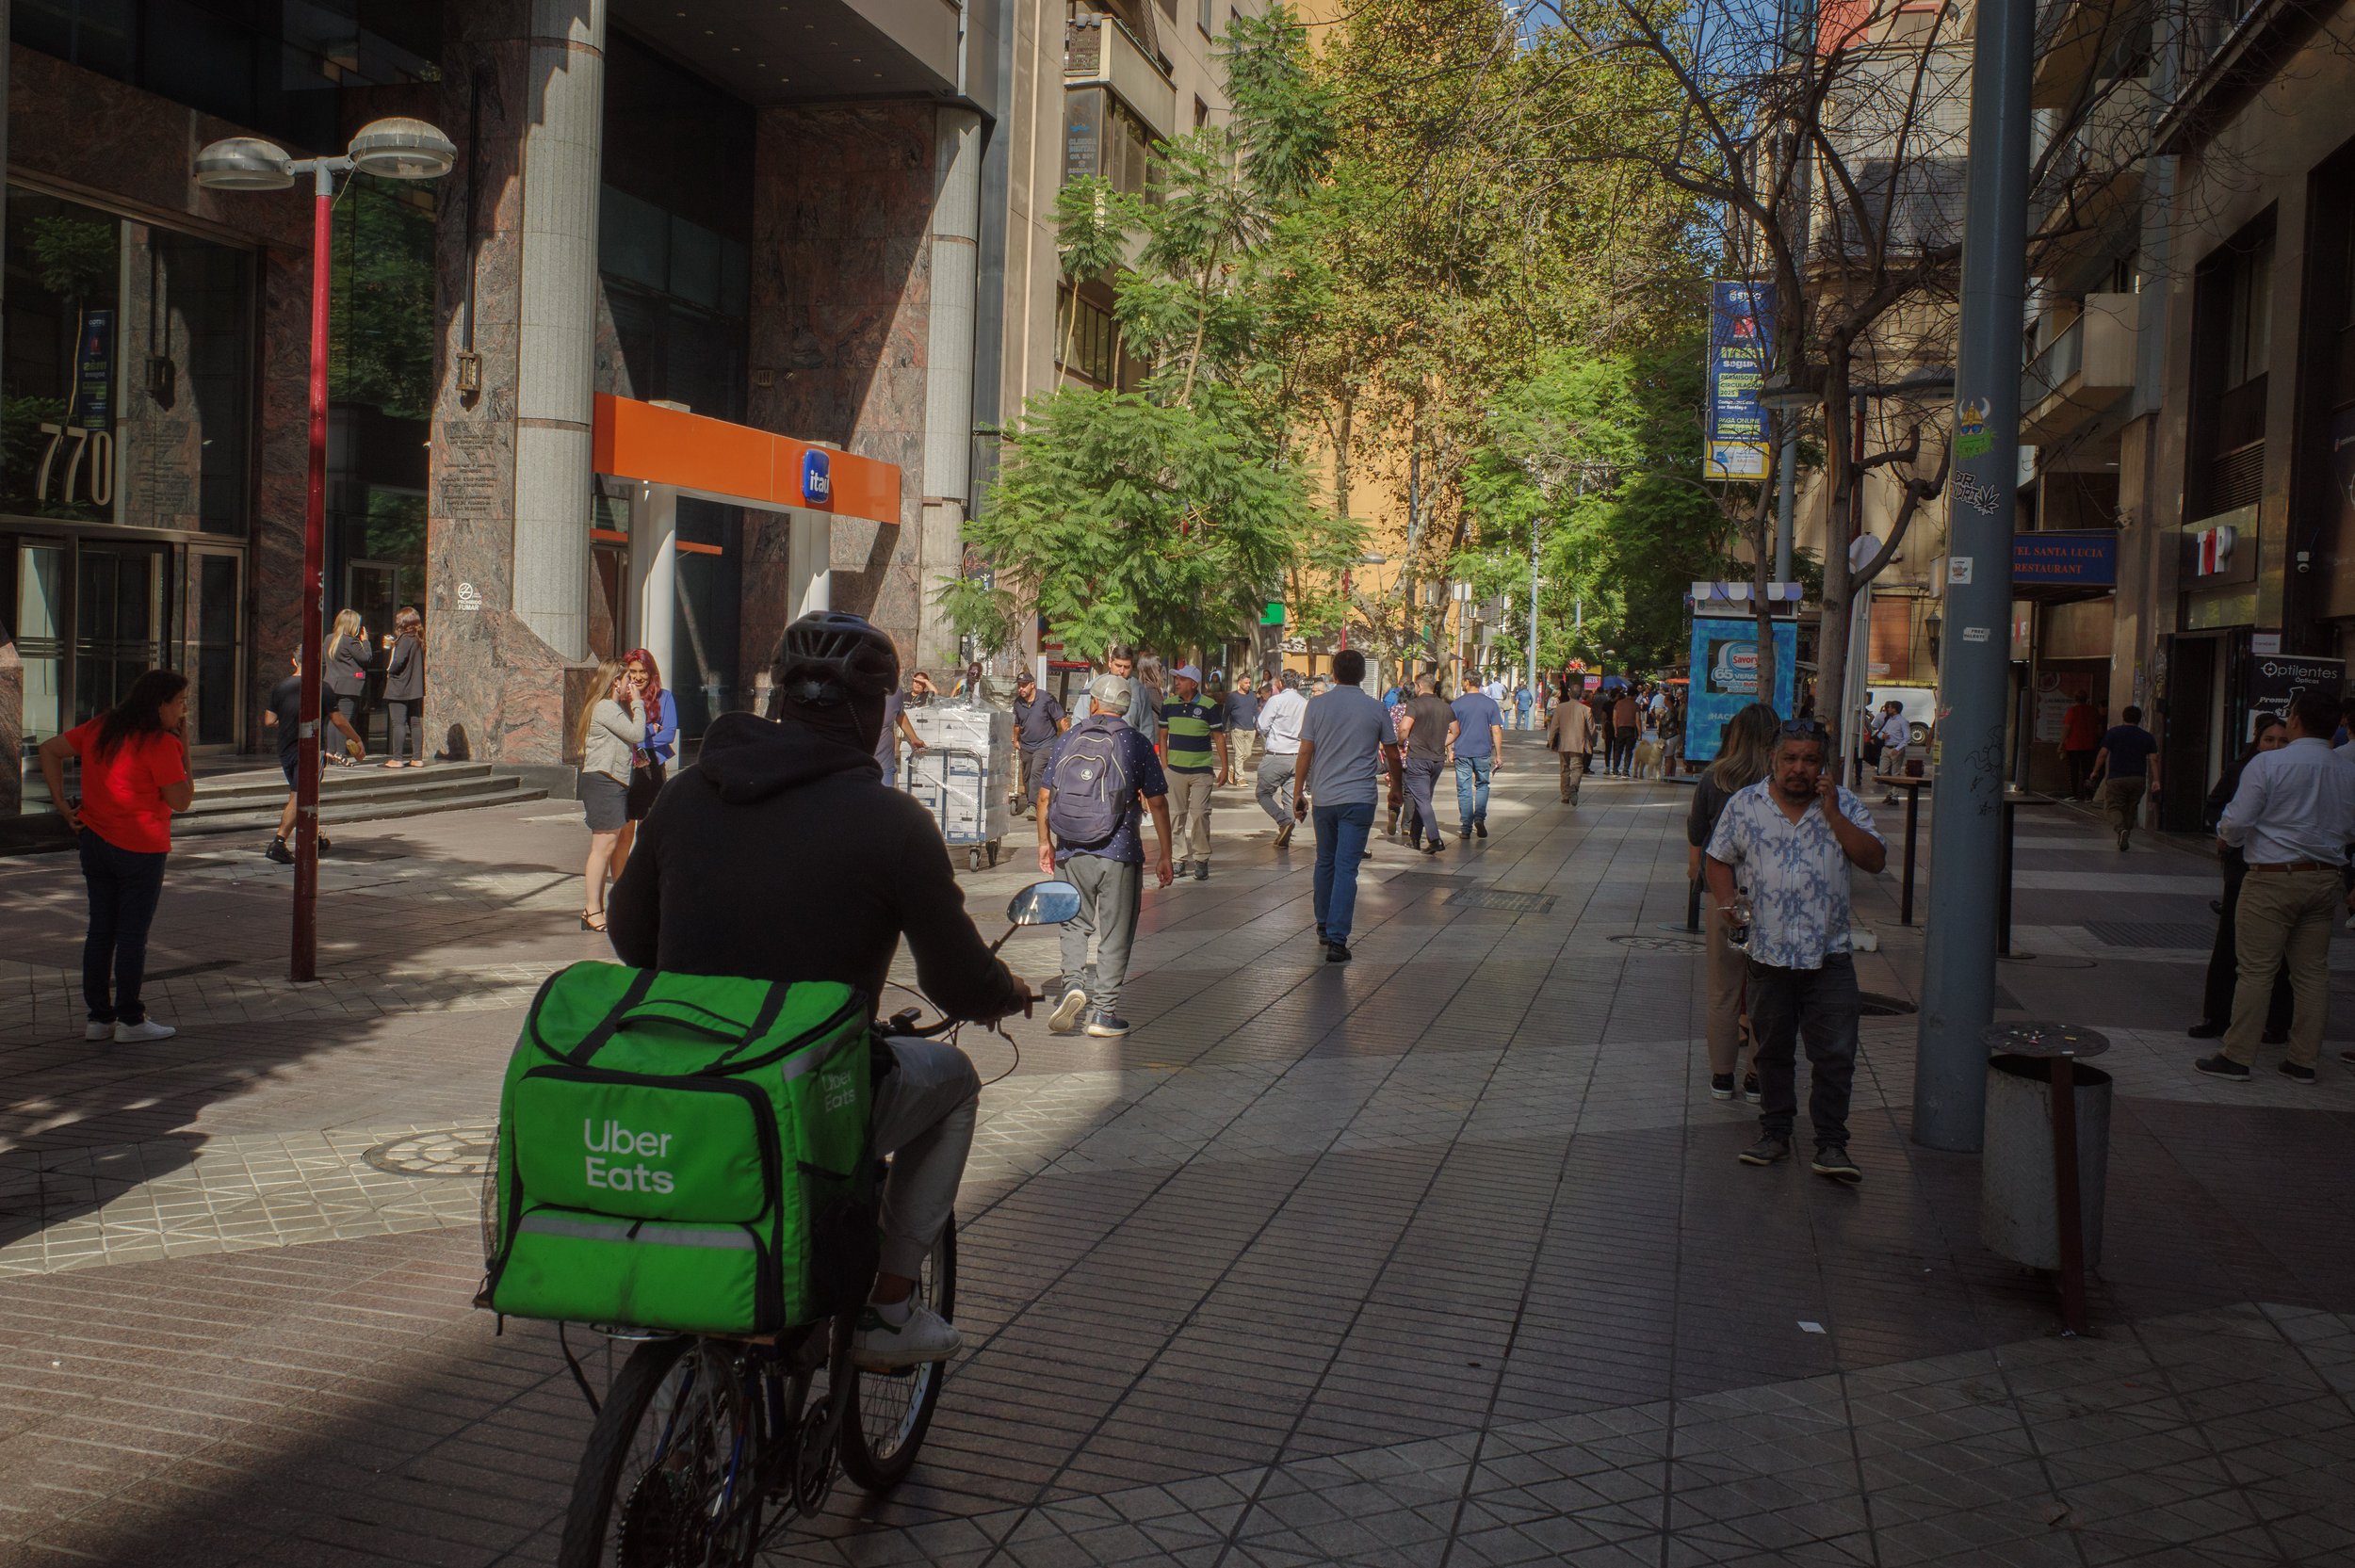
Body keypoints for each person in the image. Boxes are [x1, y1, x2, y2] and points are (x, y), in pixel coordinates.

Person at [608, 610, 1031, 1371]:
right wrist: (1006, 991)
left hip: (686, 1079)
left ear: (777, 694)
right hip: (810, 1088)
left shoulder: (685, 797)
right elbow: (955, 980)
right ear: (876, 710)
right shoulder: (893, 823)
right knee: (959, 1082)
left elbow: (630, 936)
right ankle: (890, 1309)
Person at [1705, 720, 1886, 1180]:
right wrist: (1728, 906)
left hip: (1829, 957)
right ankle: (1774, 1133)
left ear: (1823, 765)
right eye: (1791, 759)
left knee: (1835, 1055)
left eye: (1810, 760)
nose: (1799, 769)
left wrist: (1834, 816)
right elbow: (1717, 857)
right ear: (1773, 759)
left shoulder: (1843, 805)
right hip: (1768, 955)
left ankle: (1831, 1144)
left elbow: (1875, 860)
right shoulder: (1745, 805)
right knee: (1772, 1052)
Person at [2197, 689, 2355, 1084]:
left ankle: (2237, 1056)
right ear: (2336, 724)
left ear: (2296, 720)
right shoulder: (2347, 770)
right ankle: (2303, 1060)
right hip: (2326, 877)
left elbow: (2236, 821)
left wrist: (2226, 837)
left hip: (2272, 876)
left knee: (2255, 970)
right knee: (2312, 973)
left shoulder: (2269, 763)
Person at [36, 668, 195, 1043]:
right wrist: (185, 750)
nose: (183, 712)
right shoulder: (159, 743)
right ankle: (131, 1020)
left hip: (95, 841)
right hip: (141, 847)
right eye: (180, 703)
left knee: (100, 930)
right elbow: (182, 801)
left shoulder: (103, 726)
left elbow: (50, 749)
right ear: (160, 705)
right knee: (131, 936)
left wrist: (62, 804)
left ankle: (99, 1018)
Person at [1037, 674, 1173, 1038]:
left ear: (1094, 703)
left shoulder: (1068, 738)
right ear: (1126, 707)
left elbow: (1045, 797)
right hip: (1120, 850)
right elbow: (1157, 802)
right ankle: (1104, 1014)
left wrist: (1044, 842)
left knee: (1073, 923)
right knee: (1115, 933)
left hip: (1070, 848)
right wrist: (1166, 854)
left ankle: (1073, 986)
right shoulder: (1135, 742)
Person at [1688, 703, 1780, 1103]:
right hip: (1773, 898)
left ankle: (1722, 1076)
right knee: (1768, 988)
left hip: (1724, 896)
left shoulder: (1714, 778)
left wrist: (1703, 885)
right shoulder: (1781, 782)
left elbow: (1696, 841)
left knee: (1723, 989)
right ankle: (1758, 1076)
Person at [2188, 718, 2294, 1047]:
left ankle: (2276, 1022)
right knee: (2230, 943)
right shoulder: (2241, 769)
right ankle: (2217, 1016)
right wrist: (2224, 831)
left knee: (2281, 951)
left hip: (2277, 868)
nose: (2275, 746)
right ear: (2256, 742)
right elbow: (2216, 805)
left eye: (2282, 740)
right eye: (2269, 740)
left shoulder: (2293, 772)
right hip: (2242, 867)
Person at [1292, 649, 1387, 962]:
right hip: (1360, 799)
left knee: (1325, 861)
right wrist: (1397, 788)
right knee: (1347, 867)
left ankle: (1323, 924)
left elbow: (1305, 751)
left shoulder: (1317, 705)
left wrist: (1297, 792)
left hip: (1325, 798)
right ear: (1362, 675)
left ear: (1333, 674)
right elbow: (1394, 754)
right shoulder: (1376, 708)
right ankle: (1337, 939)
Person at [261, 651, 363, 865]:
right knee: (301, 794)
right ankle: (278, 842)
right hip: (308, 749)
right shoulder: (321, 688)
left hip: (285, 749)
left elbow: (269, 720)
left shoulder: (280, 687)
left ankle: (313, 837)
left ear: (293, 660)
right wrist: (357, 739)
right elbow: (338, 720)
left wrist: (289, 720)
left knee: (300, 792)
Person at [574, 658, 644, 933]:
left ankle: (594, 909)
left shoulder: (611, 708)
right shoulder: (605, 707)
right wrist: (637, 702)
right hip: (603, 782)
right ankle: (593, 910)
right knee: (602, 848)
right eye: (628, 679)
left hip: (610, 781)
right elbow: (637, 733)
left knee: (609, 846)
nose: (631, 684)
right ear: (615, 682)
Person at [1161, 664, 1228, 881]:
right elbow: (1163, 736)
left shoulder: (1209, 706)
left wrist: (1225, 767)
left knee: (1200, 814)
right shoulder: (1168, 704)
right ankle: (1178, 859)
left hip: (1201, 771)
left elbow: (1219, 737)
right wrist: (1164, 764)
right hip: (1174, 770)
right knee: (1175, 816)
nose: (1177, 682)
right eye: (1176, 678)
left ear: (1193, 683)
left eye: (1181, 679)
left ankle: (1201, 859)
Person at [621, 649, 680, 855]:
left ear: (651, 672)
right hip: (627, 767)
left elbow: (669, 734)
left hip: (654, 766)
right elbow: (622, 732)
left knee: (648, 825)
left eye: (643, 671)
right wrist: (652, 729)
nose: (638, 677)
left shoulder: (665, 698)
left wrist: (640, 737)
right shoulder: (622, 698)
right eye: (633, 671)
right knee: (625, 826)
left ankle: (643, 869)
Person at [1394, 676, 1456, 852]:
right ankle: (1415, 837)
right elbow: (1456, 730)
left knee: (1421, 799)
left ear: (1418, 686)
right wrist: (1441, 743)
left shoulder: (1414, 705)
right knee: (1424, 799)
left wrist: (1400, 744)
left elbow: (1404, 728)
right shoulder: (1445, 706)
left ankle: (1435, 839)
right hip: (1437, 759)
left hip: (1418, 758)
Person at [2088, 703, 2161, 850]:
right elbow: (2154, 759)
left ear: (2123, 717)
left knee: (2112, 807)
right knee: (2131, 807)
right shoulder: (2147, 737)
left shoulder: (2114, 733)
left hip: (2117, 777)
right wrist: (2156, 780)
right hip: (2138, 778)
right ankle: (2126, 830)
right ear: (2139, 719)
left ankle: (2121, 829)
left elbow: (2103, 754)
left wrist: (2095, 771)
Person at [1449, 676, 1506, 842]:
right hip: (1483, 751)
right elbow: (1496, 731)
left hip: (1463, 751)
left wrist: (1450, 750)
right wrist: (1499, 755)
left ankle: (1466, 827)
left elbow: (1451, 730)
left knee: (1464, 789)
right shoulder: (1490, 704)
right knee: (1482, 785)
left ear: (1467, 682)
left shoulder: (1456, 704)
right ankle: (1479, 818)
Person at [1256, 670, 1308, 847]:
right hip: (1298, 756)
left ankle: (1283, 821)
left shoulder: (1276, 700)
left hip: (1277, 754)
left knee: (1263, 793)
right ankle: (1288, 826)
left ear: (1280, 683)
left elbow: (1262, 725)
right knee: (1291, 795)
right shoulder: (1305, 703)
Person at [1009, 669, 1067, 816]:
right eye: (1019, 685)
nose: (1020, 688)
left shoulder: (1046, 699)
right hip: (1027, 745)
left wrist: (1067, 737)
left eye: (1024, 685)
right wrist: (1015, 740)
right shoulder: (1018, 703)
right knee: (1027, 774)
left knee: (1036, 771)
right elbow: (1017, 725)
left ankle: (1033, 806)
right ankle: (1032, 800)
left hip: (1046, 743)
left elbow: (1061, 719)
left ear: (1032, 685)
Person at [322, 608, 373, 768]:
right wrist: (365, 641)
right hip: (348, 687)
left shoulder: (329, 638)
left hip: (331, 684)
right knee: (344, 720)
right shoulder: (349, 640)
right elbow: (366, 658)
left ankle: (331, 751)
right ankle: (340, 753)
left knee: (333, 719)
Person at [379, 607, 426, 768]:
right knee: (415, 723)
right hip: (414, 688)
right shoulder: (418, 638)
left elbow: (398, 661)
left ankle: (397, 758)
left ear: (404, 622)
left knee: (398, 722)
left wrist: (389, 670)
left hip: (400, 687)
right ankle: (417, 758)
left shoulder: (405, 639)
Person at [1545, 681, 1596, 803]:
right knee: (1577, 767)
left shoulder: (1560, 708)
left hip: (1563, 743)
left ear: (1569, 694)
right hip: (1579, 744)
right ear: (1580, 695)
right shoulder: (1586, 709)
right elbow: (1592, 729)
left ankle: (1565, 796)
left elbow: (1554, 727)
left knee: (1564, 769)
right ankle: (1574, 786)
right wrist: (1592, 741)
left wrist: (1550, 741)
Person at [875, 680, 925, 787]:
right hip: (855, 767)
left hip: (884, 766)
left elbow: (900, 715)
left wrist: (914, 738)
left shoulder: (895, 693)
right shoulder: (848, 691)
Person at [2061, 692, 2103, 799]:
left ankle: (2074, 794)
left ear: (2075, 699)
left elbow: (2067, 728)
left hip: (2073, 745)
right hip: (2089, 745)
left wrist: (2061, 743)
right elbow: (2099, 730)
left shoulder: (2072, 711)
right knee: (2087, 770)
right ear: (2087, 699)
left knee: (2073, 771)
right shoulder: (2093, 711)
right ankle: (2088, 795)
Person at [1872, 701, 1911, 805]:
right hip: (1886, 747)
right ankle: (1890, 791)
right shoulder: (1889, 720)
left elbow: (1907, 738)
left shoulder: (1903, 721)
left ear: (1894, 709)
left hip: (1896, 748)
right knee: (1882, 771)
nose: (1887, 709)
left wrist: (1898, 748)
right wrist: (1882, 736)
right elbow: (1879, 732)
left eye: (1889, 707)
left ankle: (1894, 796)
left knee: (1895, 773)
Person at [1224, 674, 1261, 780]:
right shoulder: (1233, 696)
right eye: (1246, 683)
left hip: (1250, 728)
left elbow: (1255, 711)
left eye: (1249, 683)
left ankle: (1233, 767)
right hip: (1237, 728)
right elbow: (1226, 713)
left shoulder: (1252, 696)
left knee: (1248, 754)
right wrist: (1224, 729)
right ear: (1239, 683)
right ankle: (1240, 778)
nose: (1248, 685)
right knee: (1239, 754)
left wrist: (1260, 722)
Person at [1610, 685, 1641, 777]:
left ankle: (1615, 769)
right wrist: (1640, 733)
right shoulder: (1636, 705)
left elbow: (1614, 718)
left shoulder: (1618, 703)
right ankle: (1625, 770)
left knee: (1618, 750)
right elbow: (1637, 720)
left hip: (1620, 729)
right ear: (1635, 695)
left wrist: (1615, 729)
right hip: (1631, 730)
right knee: (1628, 751)